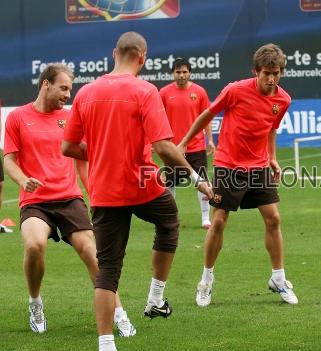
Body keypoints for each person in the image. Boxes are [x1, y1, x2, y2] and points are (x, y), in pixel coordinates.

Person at [61, 32, 213, 351]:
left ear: (114, 52)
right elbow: (162, 146)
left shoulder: (86, 92)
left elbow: (69, 147)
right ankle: (155, 296)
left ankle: (105, 343)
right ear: (142, 58)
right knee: (169, 222)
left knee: (108, 269)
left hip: (103, 190)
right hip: (141, 185)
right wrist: (196, 176)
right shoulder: (145, 90)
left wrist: (103, 153)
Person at [3, 63, 135, 336]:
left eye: (70, 89)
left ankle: (119, 312)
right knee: (34, 245)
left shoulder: (71, 116)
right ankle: (35, 302)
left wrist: (95, 191)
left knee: (94, 254)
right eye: (63, 88)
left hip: (69, 198)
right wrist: (22, 180)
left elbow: (84, 157)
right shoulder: (17, 117)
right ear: (45, 84)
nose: (67, 94)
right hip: (35, 200)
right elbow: (9, 160)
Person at [178, 43, 298, 307]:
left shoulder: (283, 100)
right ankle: (206, 280)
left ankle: (278, 277)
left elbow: (271, 128)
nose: (271, 78)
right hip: (229, 164)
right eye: (266, 73)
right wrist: (185, 143)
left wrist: (273, 158)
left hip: (258, 166)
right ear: (256, 71)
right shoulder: (235, 90)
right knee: (219, 221)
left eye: (276, 73)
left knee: (274, 219)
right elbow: (206, 115)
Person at [159, 57, 215, 229]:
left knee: (201, 181)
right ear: (172, 73)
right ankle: (171, 217)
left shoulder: (200, 92)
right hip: (173, 147)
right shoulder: (164, 93)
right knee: (170, 183)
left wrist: (210, 140)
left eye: (184, 72)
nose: (182, 75)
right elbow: (158, 119)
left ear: (190, 73)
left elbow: (206, 118)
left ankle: (205, 218)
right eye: (178, 72)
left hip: (196, 146)